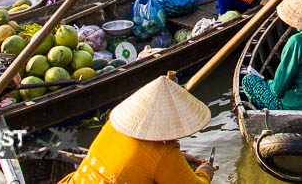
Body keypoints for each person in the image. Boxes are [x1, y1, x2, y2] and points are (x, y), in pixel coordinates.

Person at [58, 73, 214, 184]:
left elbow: (137, 157)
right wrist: (205, 172)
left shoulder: (115, 125)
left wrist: (181, 157)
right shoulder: (162, 153)